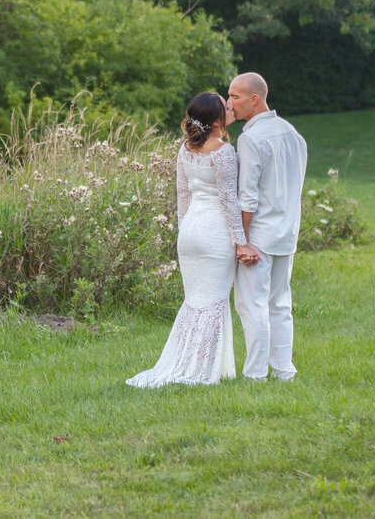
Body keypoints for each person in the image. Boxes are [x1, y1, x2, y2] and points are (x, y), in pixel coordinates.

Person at [127, 91, 259, 388]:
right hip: (214, 233)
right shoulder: (223, 152)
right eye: (225, 109)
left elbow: (182, 195)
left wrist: (183, 230)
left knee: (195, 301)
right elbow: (228, 201)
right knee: (213, 301)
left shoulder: (185, 149)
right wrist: (241, 241)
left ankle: (189, 362)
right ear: (216, 120)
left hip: (189, 232)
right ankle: (201, 370)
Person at [228, 72, 308, 382]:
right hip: (287, 232)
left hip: (259, 234)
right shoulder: (292, 133)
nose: (229, 102)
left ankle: (256, 374)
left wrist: (241, 240)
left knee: (253, 306)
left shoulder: (251, 138)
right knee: (280, 304)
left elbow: (247, 198)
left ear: (254, 99)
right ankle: (285, 371)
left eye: (235, 96)